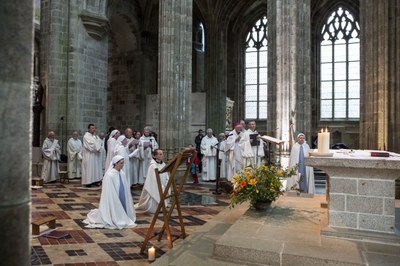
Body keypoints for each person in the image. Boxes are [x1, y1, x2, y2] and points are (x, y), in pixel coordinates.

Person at [83, 155, 137, 229]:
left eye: (123, 163)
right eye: (121, 163)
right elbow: (108, 190)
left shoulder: (122, 173)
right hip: (113, 196)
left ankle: (123, 215)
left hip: (122, 195)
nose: (123, 165)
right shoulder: (110, 175)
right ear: (116, 163)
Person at [135, 149, 169, 214]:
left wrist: (167, 183)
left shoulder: (164, 164)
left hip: (163, 185)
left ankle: (162, 206)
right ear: (155, 156)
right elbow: (153, 179)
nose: (162, 156)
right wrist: (161, 185)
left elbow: (166, 175)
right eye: (160, 154)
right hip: (155, 187)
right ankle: (157, 207)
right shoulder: (153, 166)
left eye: (162, 154)